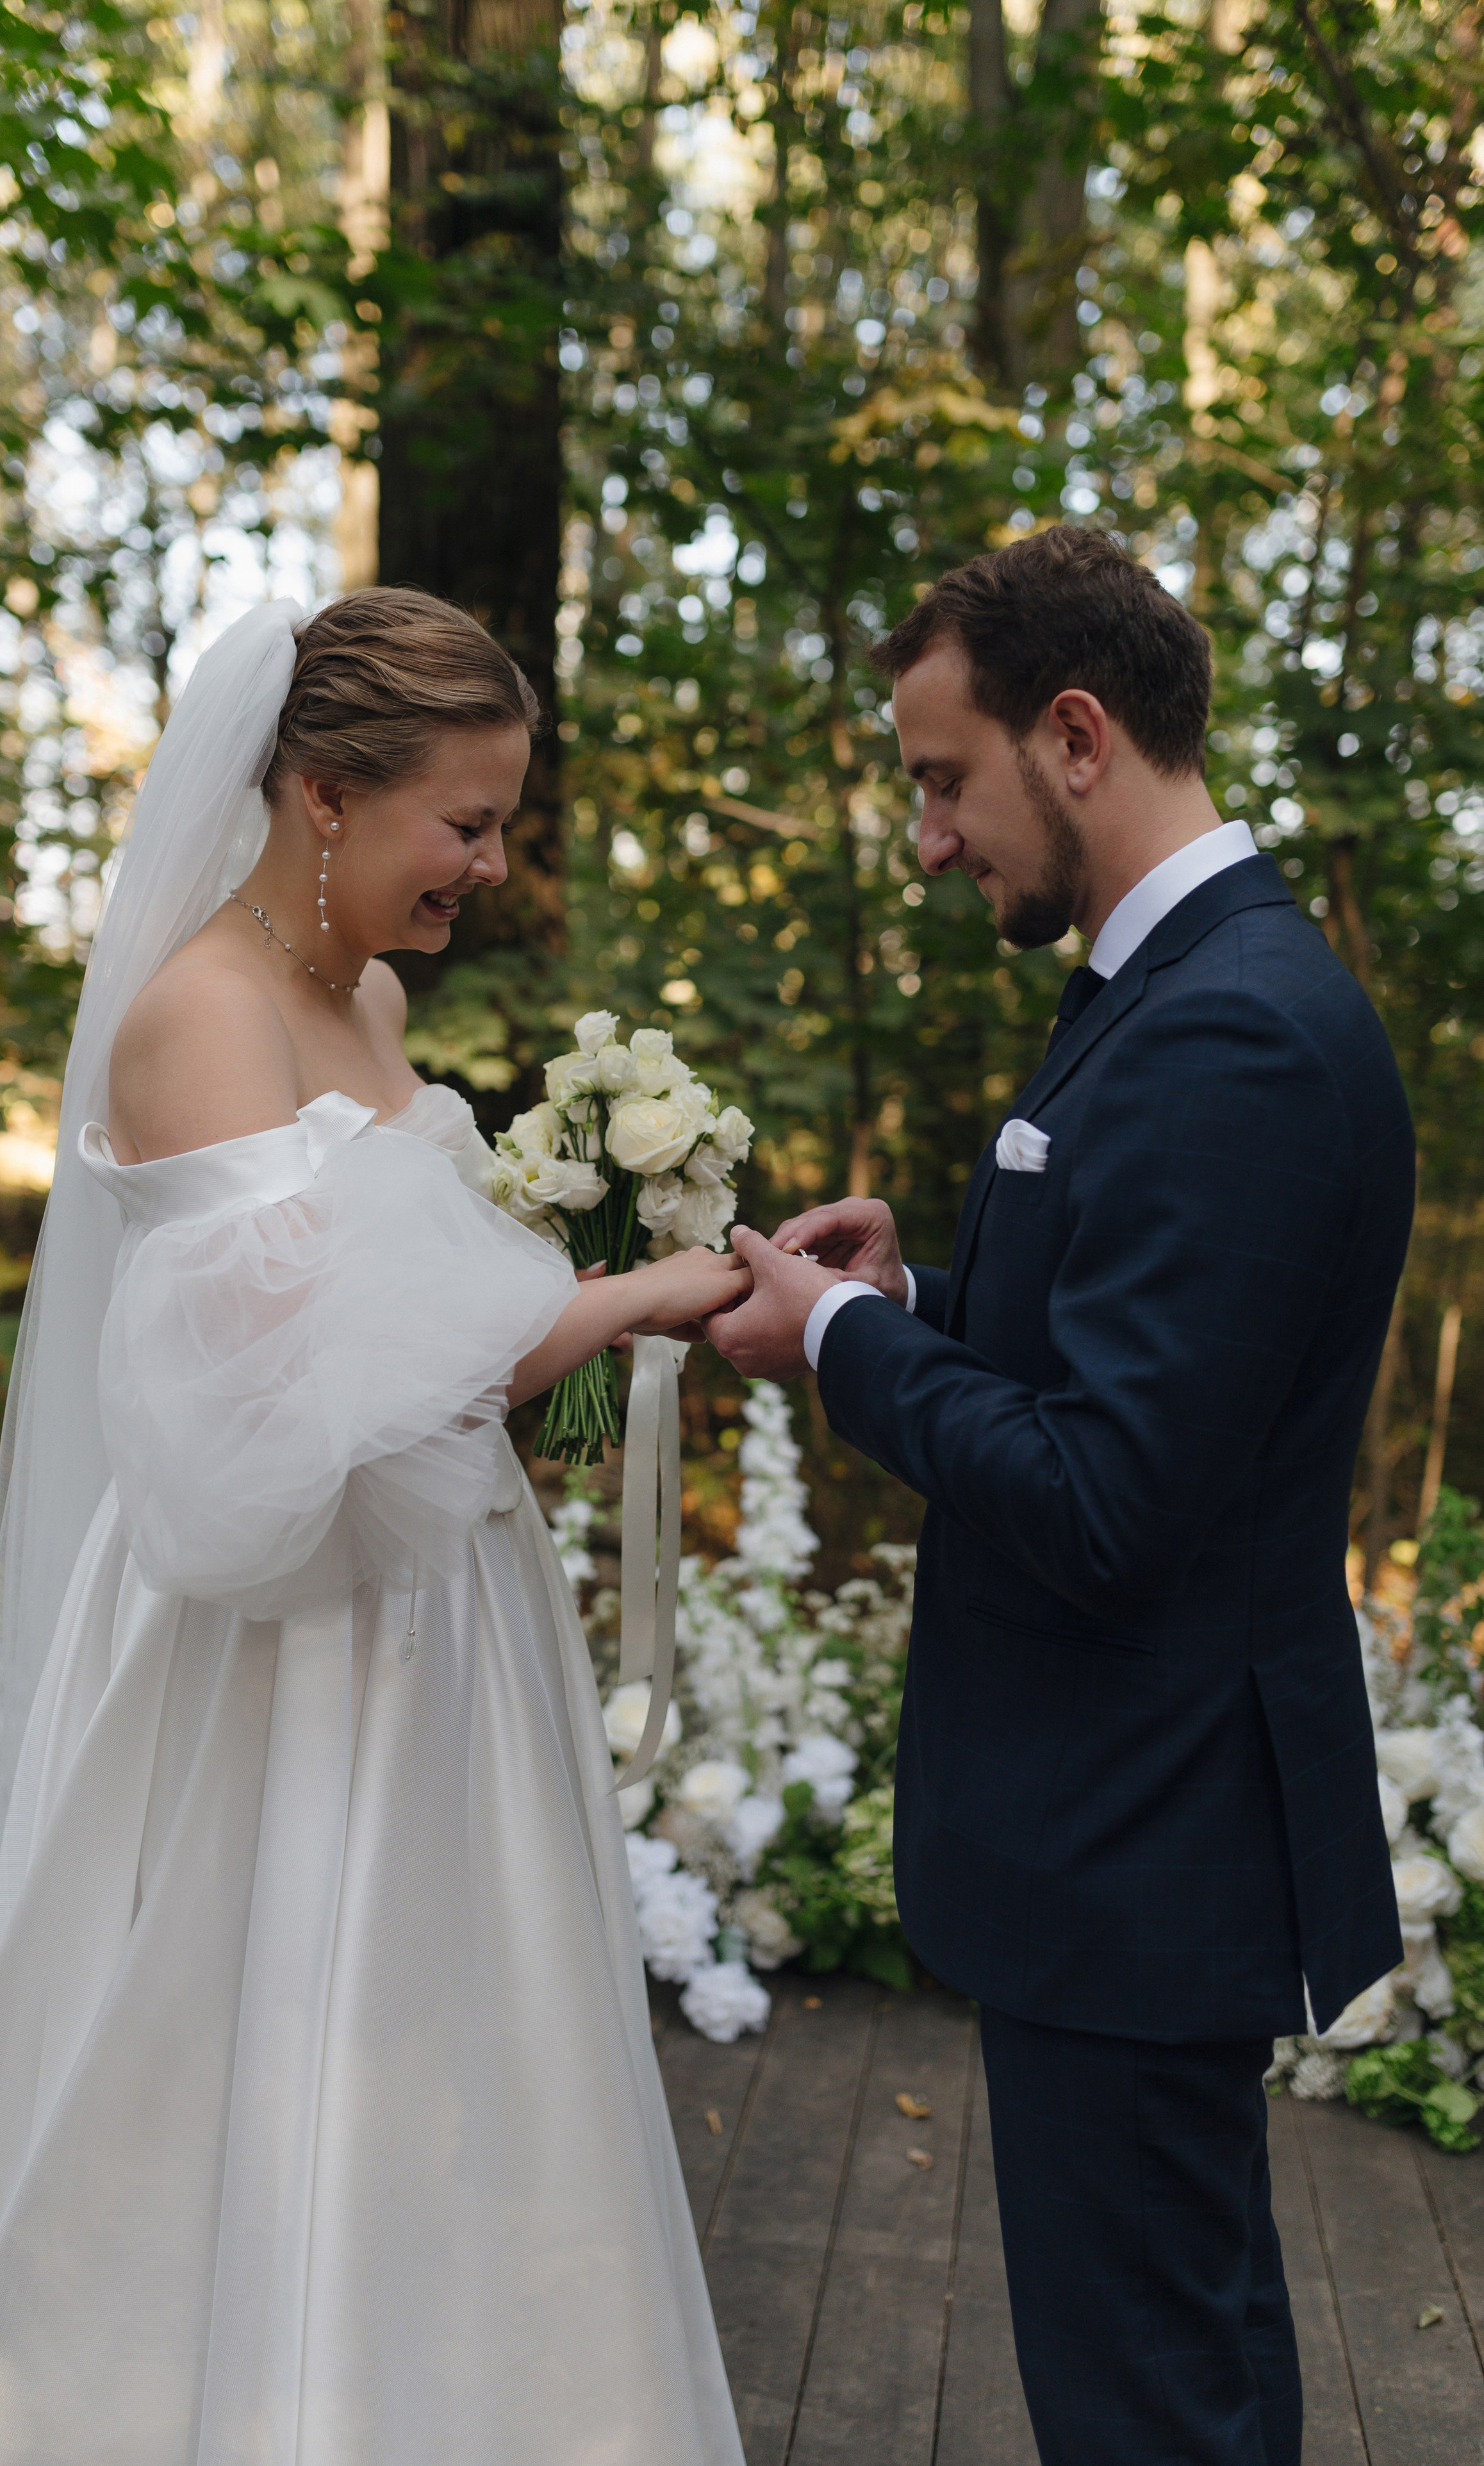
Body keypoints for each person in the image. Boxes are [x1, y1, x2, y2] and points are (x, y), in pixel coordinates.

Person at [0, 590, 750, 2465]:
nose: (494, 866)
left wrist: (591, 1284)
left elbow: (430, 1323)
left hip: (450, 1620)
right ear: (321, 796)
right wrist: (617, 1301)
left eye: (503, 820)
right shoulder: (189, 1021)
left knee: (470, 2057)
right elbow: (278, 1411)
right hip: (282, 1643)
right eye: (467, 819)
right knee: (271, 2046)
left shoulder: (364, 997)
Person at [707, 525, 1410, 2466]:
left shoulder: (1236, 1030)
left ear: (1078, 732)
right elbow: (1148, 1356)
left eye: (945, 778)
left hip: (1144, 1835)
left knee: (1152, 2405)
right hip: (1119, 1832)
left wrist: (846, 1357)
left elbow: (1114, 1497)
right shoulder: (1167, 982)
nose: (930, 836)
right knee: (1161, 2366)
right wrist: (910, 1297)